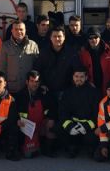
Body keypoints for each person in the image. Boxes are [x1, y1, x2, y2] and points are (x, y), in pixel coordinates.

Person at [35, 26, 80, 155]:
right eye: (54, 36)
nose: (57, 39)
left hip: (66, 92)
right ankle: (50, 145)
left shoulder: (71, 53)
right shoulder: (44, 52)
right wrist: (42, 84)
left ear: (64, 37)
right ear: (50, 38)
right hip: (48, 92)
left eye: (60, 36)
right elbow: (37, 70)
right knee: (50, 118)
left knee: (66, 118)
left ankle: (67, 144)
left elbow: (77, 71)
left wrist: (73, 88)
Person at [58, 67, 100, 158]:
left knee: (91, 138)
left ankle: (90, 147)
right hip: (73, 125)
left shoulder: (94, 93)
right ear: (73, 77)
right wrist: (69, 126)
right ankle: (72, 147)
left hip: (88, 127)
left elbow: (97, 114)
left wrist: (86, 126)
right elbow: (63, 112)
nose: (79, 79)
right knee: (59, 129)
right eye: (76, 76)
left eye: (81, 76)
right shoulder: (67, 93)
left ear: (86, 77)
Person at [0, 20, 40, 94]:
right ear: (12, 31)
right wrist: (2, 87)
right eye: (16, 29)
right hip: (12, 88)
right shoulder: (5, 46)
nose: (19, 31)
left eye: (21, 29)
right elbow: (1, 68)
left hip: (29, 88)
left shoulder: (33, 45)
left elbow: (38, 67)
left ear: (25, 30)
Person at [15, 70, 49, 157]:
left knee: (50, 125)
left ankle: (46, 147)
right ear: (27, 82)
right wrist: (17, 120)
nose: (35, 84)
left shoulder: (44, 93)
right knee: (28, 155)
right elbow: (14, 112)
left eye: (37, 81)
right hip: (26, 126)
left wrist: (49, 119)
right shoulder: (20, 95)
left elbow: (51, 108)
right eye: (32, 81)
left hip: (41, 124)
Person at [78, 26, 110, 94]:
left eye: (95, 37)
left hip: (107, 86)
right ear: (87, 39)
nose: (93, 40)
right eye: (90, 38)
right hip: (91, 86)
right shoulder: (83, 53)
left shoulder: (109, 51)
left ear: (99, 38)